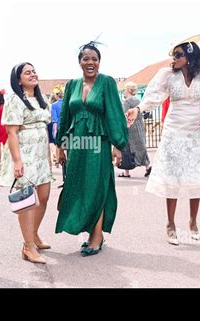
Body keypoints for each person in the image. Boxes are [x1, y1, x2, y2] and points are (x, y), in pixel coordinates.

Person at [127, 34, 200, 246]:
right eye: (173, 55)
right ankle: (170, 224)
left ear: (189, 54)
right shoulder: (167, 74)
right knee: (173, 178)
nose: (174, 58)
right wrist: (138, 109)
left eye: (178, 54)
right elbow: (154, 97)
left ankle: (193, 222)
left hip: (195, 132)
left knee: (196, 176)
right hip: (173, 131)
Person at [55, 41, 128, 256]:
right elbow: (64, 116)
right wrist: (61, 145)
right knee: (80, 187)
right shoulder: (71, 85)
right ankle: (93, 232)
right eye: (86, 59)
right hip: (77, 145)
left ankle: (96, 237)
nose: (90, 62)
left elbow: (115, 113)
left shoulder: (107, 83)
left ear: (99, 62)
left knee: (97, 186)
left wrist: (118, 145)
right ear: (79, 62)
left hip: (98, 143)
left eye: (94, 59)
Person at [0, 62, 54, 264]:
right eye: (27, 72)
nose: (33, 74)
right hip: (24, 154)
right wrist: (17, 161)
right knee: (28, 201)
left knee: (44, 196)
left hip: (40, 155)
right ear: (18, 79)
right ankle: (28, 246)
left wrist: (49, 154)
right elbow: (11, 132)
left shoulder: (41, 99)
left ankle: (34, 234)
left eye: (34, 71)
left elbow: (45, 129)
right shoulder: (14, 100)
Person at [119, 81, 151, 178]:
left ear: (128, 90)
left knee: (127, 148)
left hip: (130, 127)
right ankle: (148, 166)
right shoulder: (138, 100)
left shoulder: (127, 101)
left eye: (125, 89)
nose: (124, 92)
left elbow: (123, 114)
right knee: (141, 147)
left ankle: (126, 172)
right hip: (139, 126)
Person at [50, 85, 63, 166]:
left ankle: (58, 160)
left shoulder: (54, 105)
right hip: (68, 126)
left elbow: (54, 119)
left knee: (58, 145)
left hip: (58, 126)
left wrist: (54, 131)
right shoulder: (67, 103)